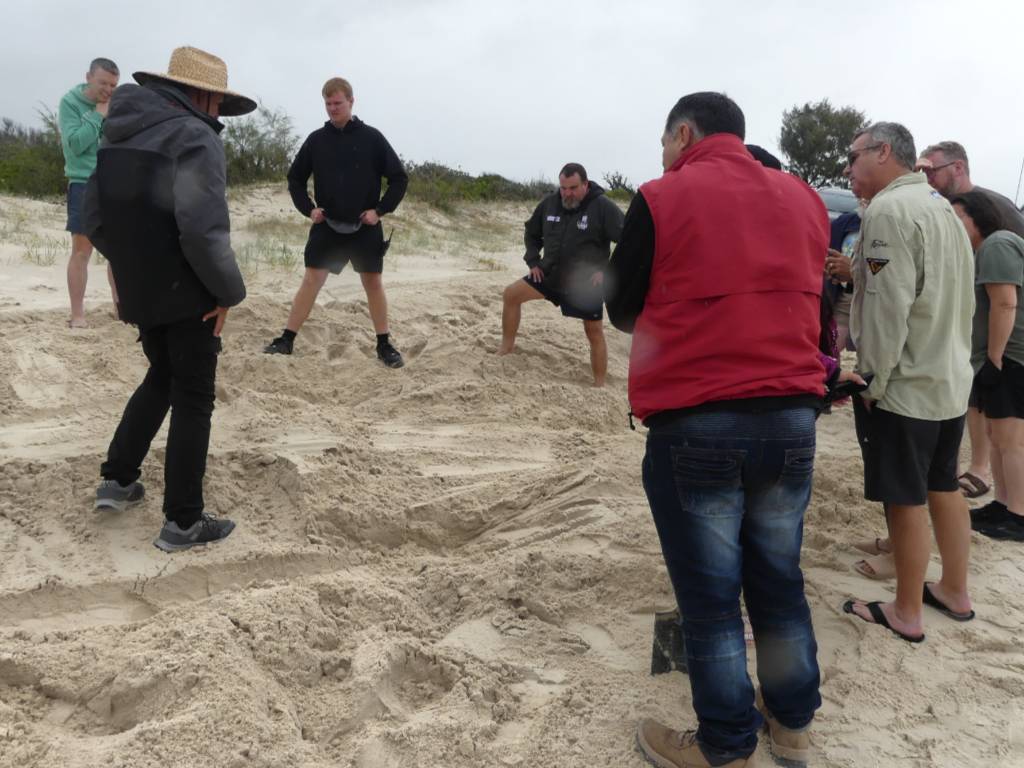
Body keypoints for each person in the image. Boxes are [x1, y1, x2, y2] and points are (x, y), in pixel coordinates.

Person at [608, 91, 828, 768]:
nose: (664, 156)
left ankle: (726, 744)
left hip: (700, 417)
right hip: (791, 415)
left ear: (683, 133)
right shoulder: (804, 197)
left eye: (666, 142)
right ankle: (791, 724)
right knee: (777, 577)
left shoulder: (661, 196)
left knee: (708, 597)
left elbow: (620, 306)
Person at [82, 46, 251, 552]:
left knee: (162, 375)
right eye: (218, 102)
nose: (219, 113)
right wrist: (228, 293)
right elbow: (202, 232)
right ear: (201, 94)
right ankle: (183, 521)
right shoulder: (195, 135)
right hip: (188, 293)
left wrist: (133, 268)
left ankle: (117, 480)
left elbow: (94, 219)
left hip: (138, 288)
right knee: (194, 396)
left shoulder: (117, 133)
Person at [842, 123, 976, 642]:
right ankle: (955, 591)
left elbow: (886, 305)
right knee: (944, 484)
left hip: (907, 384)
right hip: (948, 377)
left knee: (905, 498)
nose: (850, 170)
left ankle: (906, 611)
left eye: (853, 157)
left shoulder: (888, 212)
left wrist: (870, 381)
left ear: (882, 152)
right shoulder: (942, 206)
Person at [264, 78, 408, 367]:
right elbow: (295, 179)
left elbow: (399, 178)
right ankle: (287, 339)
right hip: (327, 225)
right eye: (328, 104)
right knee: (311, 280)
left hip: (364, 226)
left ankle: (384, 344)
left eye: (338, 103)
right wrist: (309, 210)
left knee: (373, 283)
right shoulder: (317, 140)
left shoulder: (372, 138)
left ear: (351, 102)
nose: (333, 109)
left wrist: (379, 211)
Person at [920, 140, 1024, 499]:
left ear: (958, 168)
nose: (926, 176)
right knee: (986, 416)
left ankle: (1000, 492)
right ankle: (1000, 495)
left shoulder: (998, 218)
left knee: (1005, 428)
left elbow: (1007, 297)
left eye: (931, 169)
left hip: (1005, 342)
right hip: (976, 334)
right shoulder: (943, 209)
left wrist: (997, 354)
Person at [497, 163, 624, 387]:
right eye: (563, 188)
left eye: (573, 188)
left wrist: (607, 271)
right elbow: (531, 232)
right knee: (511, 295)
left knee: (594, 331)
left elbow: (627, 241)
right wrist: (534, 261)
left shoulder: (602, 207)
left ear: (585, 184)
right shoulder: (550, 203)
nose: (567, 193)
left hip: (585, 283)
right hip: (550, 274)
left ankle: (599, 385)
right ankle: (505, 350)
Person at [950, 191, 1024, 541]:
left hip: (1012, 357)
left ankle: (1019, 516)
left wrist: (995, 359)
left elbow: (1006, 303)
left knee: (1012, 441)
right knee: (996, 437)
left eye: (958, 216)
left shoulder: (997, 244)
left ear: (978, 216)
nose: (953, 223)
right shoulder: (982, 250)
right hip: (998, 357)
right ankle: (1003, 503)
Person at [58, 57, 120, 327]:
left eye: (113, 85)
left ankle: (122, 311)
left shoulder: (116, 104)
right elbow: (75, 145)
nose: (108, 89)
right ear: (88, 77)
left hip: (114, 182)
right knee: (82, 250)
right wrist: (98, 114)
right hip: (83, 181)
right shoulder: (70, 103)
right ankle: (78, 315)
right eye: (103, 82)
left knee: (119, 252)